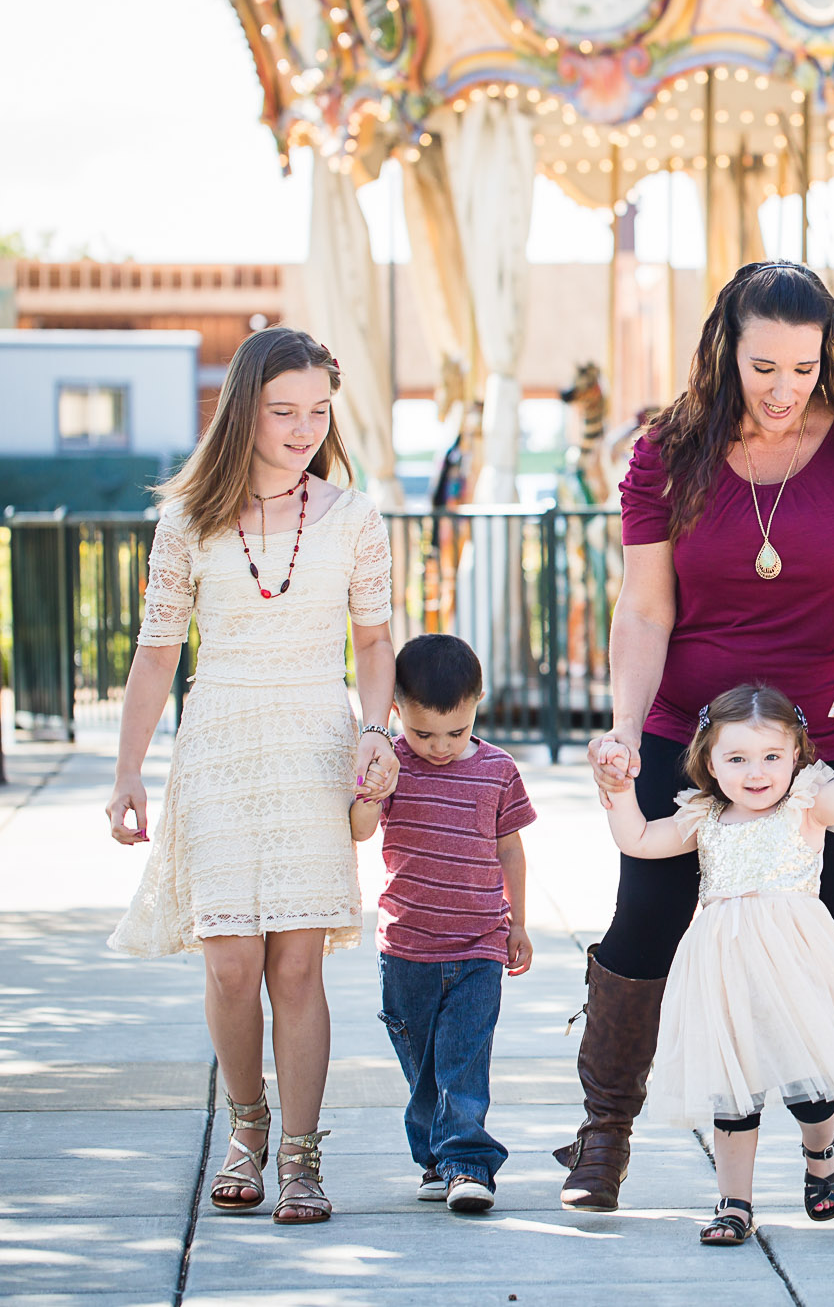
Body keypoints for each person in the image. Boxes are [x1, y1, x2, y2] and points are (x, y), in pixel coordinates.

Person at [565, 261, 834, 1217]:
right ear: (726, 349)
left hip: (821, 735)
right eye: (763, 365)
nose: (783, 391)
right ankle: (604, 1136)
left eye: (805, 369)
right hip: (686, 733)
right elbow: (645, 609)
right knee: (645, 925)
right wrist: (619, 725)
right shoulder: (667, 453)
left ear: (832, 356)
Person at [106, 327, 397, 1225]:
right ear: (243, 411)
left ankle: (304, 1158)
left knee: (298, 965)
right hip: (221, 740)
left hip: (315, 739)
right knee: (232, 963)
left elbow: (376, 641)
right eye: (283, 411)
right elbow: (157, 659)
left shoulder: (352, 517)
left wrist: (376, 733)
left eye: (318, 410)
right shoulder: (187, 519)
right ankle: (247, 1126)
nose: (304, 427)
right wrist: (127, 774)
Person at [605, 683, 834, 1245]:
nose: (756, 772)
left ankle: (822, 1155)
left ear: (796, 756)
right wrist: (616, 786)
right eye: (736, 758)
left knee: (810, 1088)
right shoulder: (704, 816)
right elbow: (637, 838)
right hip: (723, 972)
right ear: (709, 761)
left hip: (795, 967)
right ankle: (735, 1203)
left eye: (771, 757)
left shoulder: (808, 802)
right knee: (733, 1095)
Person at [348, 633, 536, 1214]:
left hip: (479, 942)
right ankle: (436, 1156)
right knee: (424, 1065)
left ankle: (467, 1162)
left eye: (455, 732)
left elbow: (511, 852)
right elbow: (358, 830)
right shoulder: (391, 764)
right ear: (396, 710)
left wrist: (518, 923)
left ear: (478, 702)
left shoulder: (498, 770)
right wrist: (369, 788)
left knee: (464, 1056)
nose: (439, 746)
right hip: (406, 947)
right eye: (422, 732)